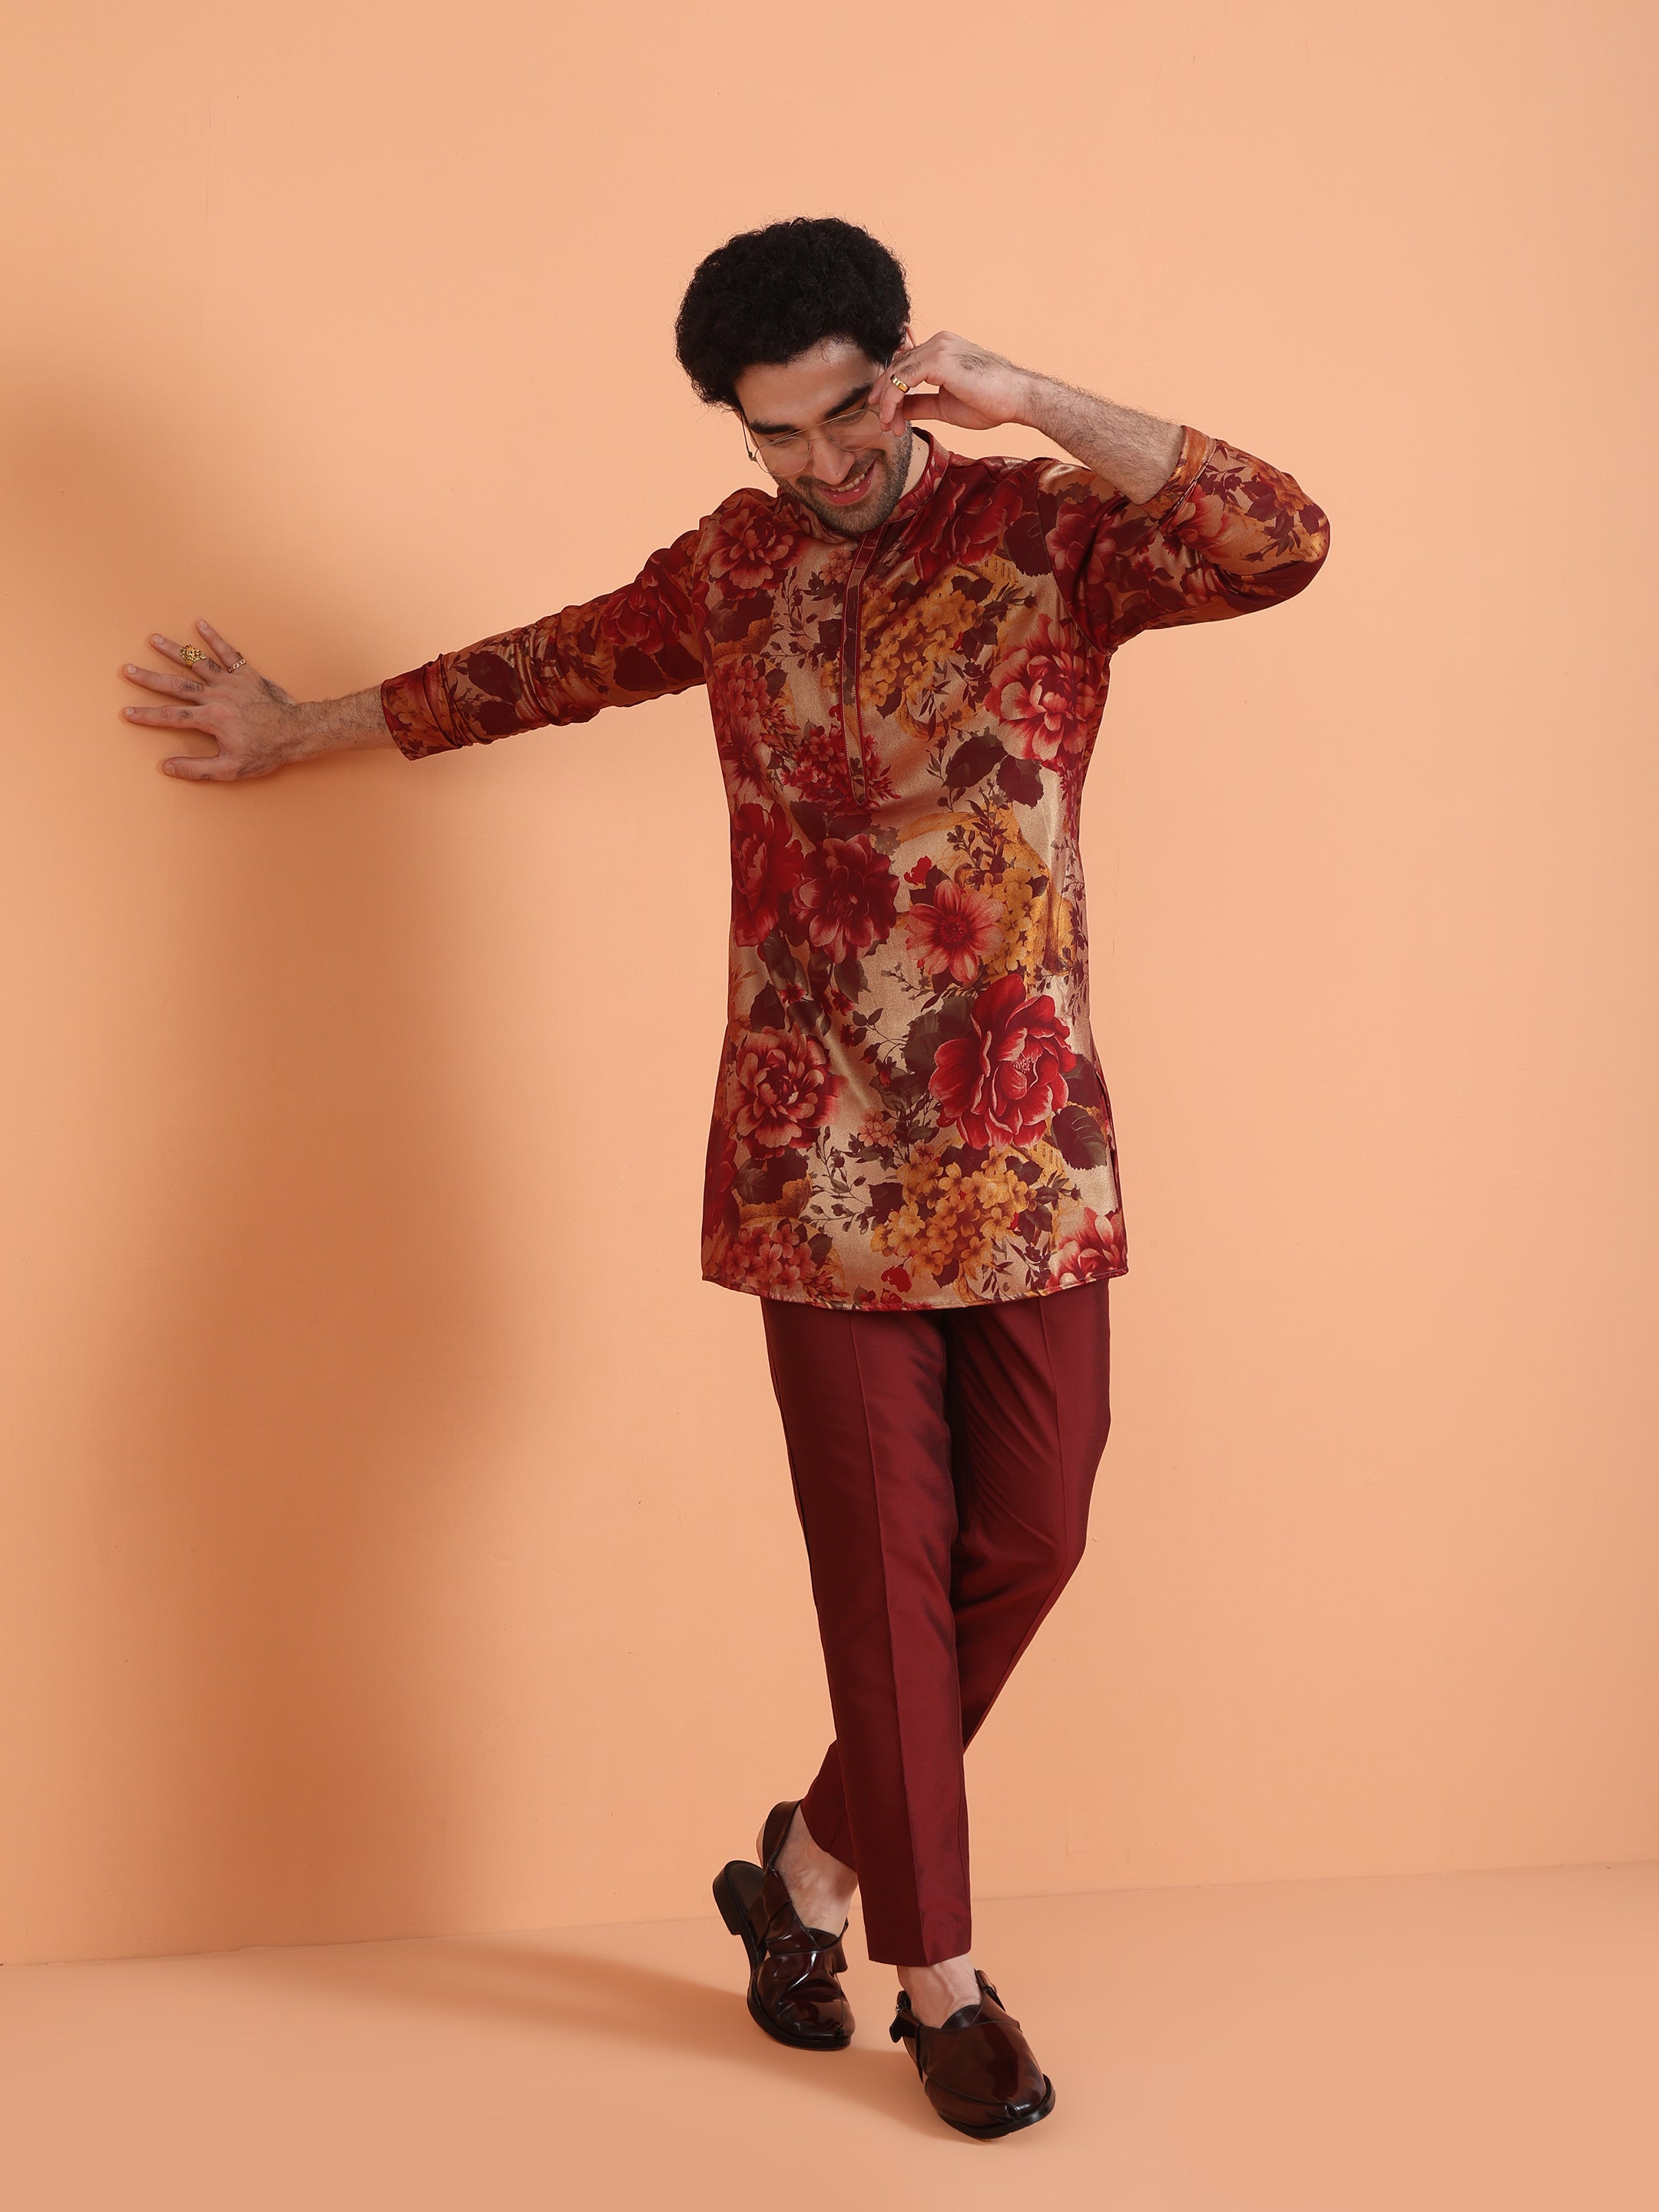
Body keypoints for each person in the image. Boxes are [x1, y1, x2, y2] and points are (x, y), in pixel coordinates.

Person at [120, 215, 1329, 2139]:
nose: (824, 464)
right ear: (739, 430)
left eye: (851, 415)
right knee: (885, 1585)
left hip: (1024, 1148)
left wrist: (1030, 396)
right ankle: (938, 1982)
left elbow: (1280, 538)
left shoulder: (1045, 538)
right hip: (807, 1156)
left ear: (904, 371)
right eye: (780, 434)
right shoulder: (731, 572)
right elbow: (535, 670)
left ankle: (811, 1860)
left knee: (1034, 1540)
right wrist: (298, 729)